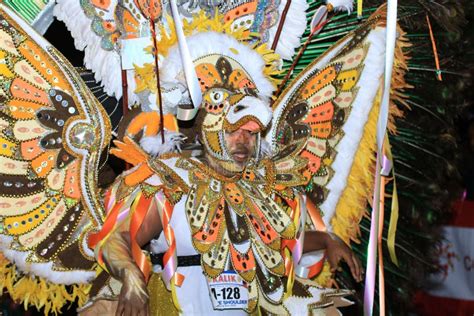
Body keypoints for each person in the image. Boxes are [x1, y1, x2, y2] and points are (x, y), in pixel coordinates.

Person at [89, 120, 362, 315]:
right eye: (233, 130)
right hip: (180, 301)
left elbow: (275, 244)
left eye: (251, 132)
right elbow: (118, 237)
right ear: (208, 128)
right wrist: (132, 277)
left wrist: (328, 238)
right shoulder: (173, 179)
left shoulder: (255, 188)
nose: (243, 141)